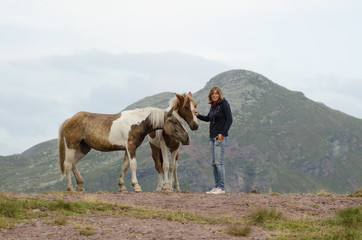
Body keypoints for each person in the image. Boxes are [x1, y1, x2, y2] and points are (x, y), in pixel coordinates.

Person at [193, 87, 233, 194]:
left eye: (216, 93)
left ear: (219, 95)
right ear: (210, 95)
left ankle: (222, 188)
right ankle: (216, 187)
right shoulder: (213, 107)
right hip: (212, 137)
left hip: (220, 137)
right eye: (212, 94)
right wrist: (198, 115)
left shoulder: (224, 104)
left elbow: (229, 119)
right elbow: (208, 118)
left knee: (219, 163)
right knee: (214, 163)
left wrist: (223, 134)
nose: (214, 95)